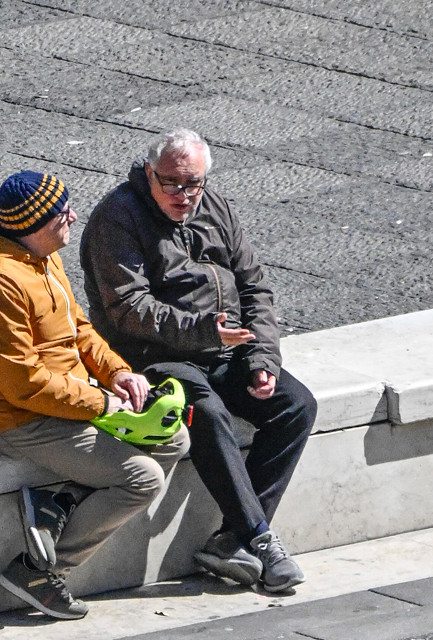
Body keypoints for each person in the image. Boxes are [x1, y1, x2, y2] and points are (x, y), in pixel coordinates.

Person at [0, 171, 190, 620]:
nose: (73, 216)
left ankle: (65, 501)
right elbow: (23, 383)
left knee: (173, 438)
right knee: (142, 480)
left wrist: (117, 373)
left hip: (69, 400)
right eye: (63, 213)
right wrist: (100, 404)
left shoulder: (41, 255)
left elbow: (78, 329)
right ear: (36, 224)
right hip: (18, 420)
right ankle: (38, 570)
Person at [80, 129, 317, 593]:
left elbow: (254, 287)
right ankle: (261, 538)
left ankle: (232, 539)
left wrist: (261, 357)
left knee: (296, 406)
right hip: (155, 355)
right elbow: (129, 308)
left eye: (194, 184)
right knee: (204, 412)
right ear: (149, 173)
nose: (184, 195)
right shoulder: (117, 218)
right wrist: (206, 329)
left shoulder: (216, 208)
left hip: (225, 347)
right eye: (171, 183)